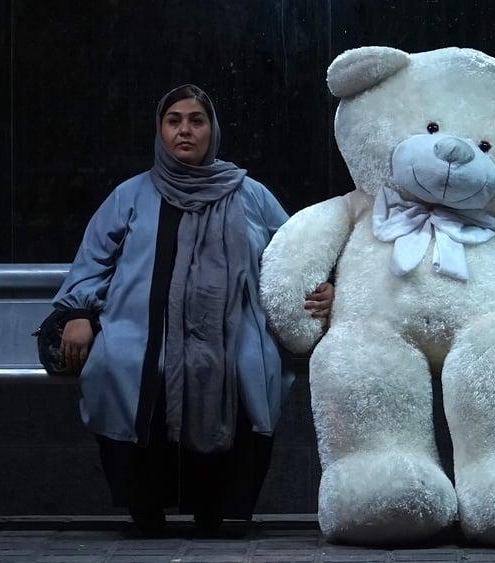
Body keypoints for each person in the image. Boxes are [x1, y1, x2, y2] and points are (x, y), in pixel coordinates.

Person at [52, 85, 333, 534]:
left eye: (196, 120)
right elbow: (91, 263)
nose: (185, 130)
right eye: (174, 120)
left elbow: (297, 253)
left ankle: (216, 510)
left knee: (238, 367)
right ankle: (146, 509)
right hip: (142, 330)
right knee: (131, 367)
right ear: (160, 131)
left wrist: (327, 288)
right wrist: (78, 313)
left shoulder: (250, 195)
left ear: (212, 129)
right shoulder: (130, 196)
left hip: (233, 329)